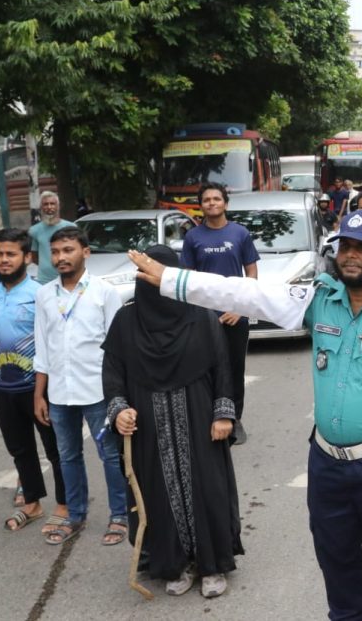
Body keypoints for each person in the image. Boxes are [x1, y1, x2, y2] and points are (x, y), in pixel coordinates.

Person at [129, 209, 362, 620]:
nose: (351, 256)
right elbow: (245, 294)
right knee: (336, 562)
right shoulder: (319, 299)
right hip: (327, 464)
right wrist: (173, 280)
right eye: (345, 247)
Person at [104, 245, 243, 599]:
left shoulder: (199, 315)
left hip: (198, 415)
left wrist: (223, 413)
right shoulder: (125, 320)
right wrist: (119, 409)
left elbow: (221, 366)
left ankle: (212, 565)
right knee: (157, 493)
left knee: (206, 487)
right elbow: (113, 371)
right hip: (147, 423)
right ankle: (174, 564)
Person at [0, 228, 67, 532]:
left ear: (27, 257)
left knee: (55, 449)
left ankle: (65, 504)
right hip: (4, 387)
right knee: (20, 449)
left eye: (11, 254)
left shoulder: (41, 293)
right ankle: (33, 504)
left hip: (40, 386)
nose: (4, 260)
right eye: (0, 254)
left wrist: (44, 389)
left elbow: (55, 339)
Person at [33, 226, 127, 545]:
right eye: (56, 251)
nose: (61, 257)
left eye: (68, 250)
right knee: (67, 456)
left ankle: (119, 515)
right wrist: (39, 394)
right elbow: (42, 348)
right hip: (59, 393)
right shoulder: (44, 294)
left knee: (110, 456)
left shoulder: (104, 292)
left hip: (98, 391)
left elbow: (117, 347)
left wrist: (120, 395)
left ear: (85, 252)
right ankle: (75, 514)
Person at [181, 182, 259, 445]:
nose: (212, 203)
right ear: (200, 205)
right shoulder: (193, 238)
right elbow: (189, 279)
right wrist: (198, 312)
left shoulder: (240, 233)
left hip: (235, 315)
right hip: (204, 318)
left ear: (226, 203)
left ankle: (235, 420)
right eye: (206, 200)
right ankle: (210, 418)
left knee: (235, 369)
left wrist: (239, 307)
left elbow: (251, 273)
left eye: (216, 199)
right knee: (206, 369)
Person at [28, 191, 76, 284]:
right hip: (44, 281)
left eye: (52, 204)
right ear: (41, 207)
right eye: (45, 204)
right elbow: (34, 256)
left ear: (58, 206)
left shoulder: (71, 228)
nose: (49, 207)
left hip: (68, 278)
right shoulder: (34, 230)